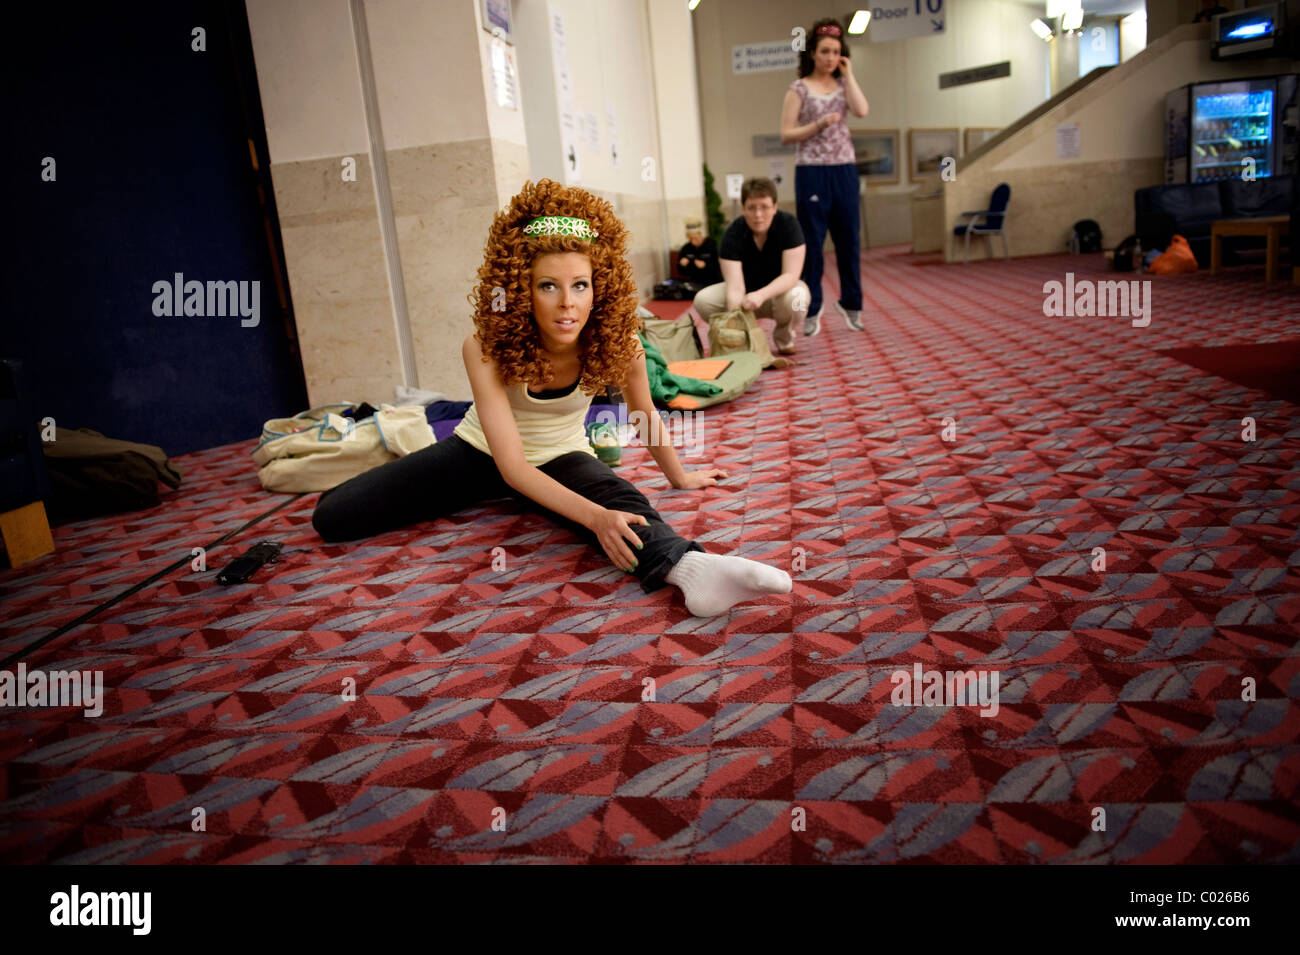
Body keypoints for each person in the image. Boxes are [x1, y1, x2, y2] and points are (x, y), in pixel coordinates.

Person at [311, 179, 793, 618]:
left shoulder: (621, 343)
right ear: (522, 290)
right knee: (334, 517)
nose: (568, 303)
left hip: (562, 455)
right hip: (479, 455)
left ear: (598, 288)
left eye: (580, 285)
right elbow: (513, 466)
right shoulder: (484, 347)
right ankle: (518, 500)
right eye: (548, 286)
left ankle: (697, 571)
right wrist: (592, 518)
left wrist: (679, 476)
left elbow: (644, 414)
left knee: (623, 503)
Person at [781, 17, 869, 337]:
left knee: (849, 240)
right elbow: (786, 133)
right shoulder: (799, 89)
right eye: (825, 51)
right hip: (811, 171)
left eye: (836, 52)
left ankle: (852, 303)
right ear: (813, 54)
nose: (831, 57)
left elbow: (861, 111)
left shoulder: (845, 85)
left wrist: (850, 74)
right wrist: (818, 125)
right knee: (813, 245)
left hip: (844, 168)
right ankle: (812, 308)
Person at [690, 177, 809, 356]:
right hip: (745, 294)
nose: (758, 214)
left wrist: (761, 295)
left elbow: (791, 276)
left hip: (778, 294)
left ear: (775, 207)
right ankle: (743, 340)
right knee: (703, 300)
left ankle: (784, 336)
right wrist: (735, 321)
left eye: (764, 207)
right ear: (743, 209)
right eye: (751, 208)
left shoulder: (789, 225)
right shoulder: (733, 234)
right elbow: (735, 288)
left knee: (798, 298)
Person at [678, 218, 722, 286]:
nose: (694, 241)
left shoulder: (712, 245)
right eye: (691, 239)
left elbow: (718, 265)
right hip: (695, 282)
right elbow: (681, 270)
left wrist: (705, 265)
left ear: (701, 235)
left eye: (696, 238)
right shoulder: (686, 248)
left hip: (713, 281)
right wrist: (682, 265)